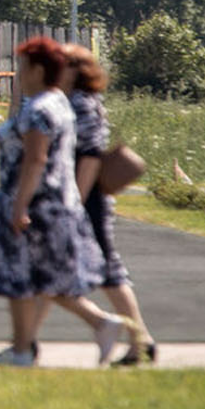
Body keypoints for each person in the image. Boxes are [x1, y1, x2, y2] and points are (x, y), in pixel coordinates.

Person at [0, 36, 128, 367]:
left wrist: (19, 205)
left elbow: (35, 159)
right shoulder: (58, 103)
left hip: (36, 204)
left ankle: (23, 350)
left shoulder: (39, 109)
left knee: (21, 279)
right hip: (53, 203)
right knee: (42, 281)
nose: (19, 75)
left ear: (38, 70)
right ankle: (90, 326)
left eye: (23, 68)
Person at [63, 44, 155, 365]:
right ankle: (140, 339)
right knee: (105, 270)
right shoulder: (75, 100)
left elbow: (90, 155)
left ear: (76, 70)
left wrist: (76, 200)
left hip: (86, 197)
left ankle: (139, 339)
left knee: (108, 271)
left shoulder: (81, 103)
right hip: (83, 196)